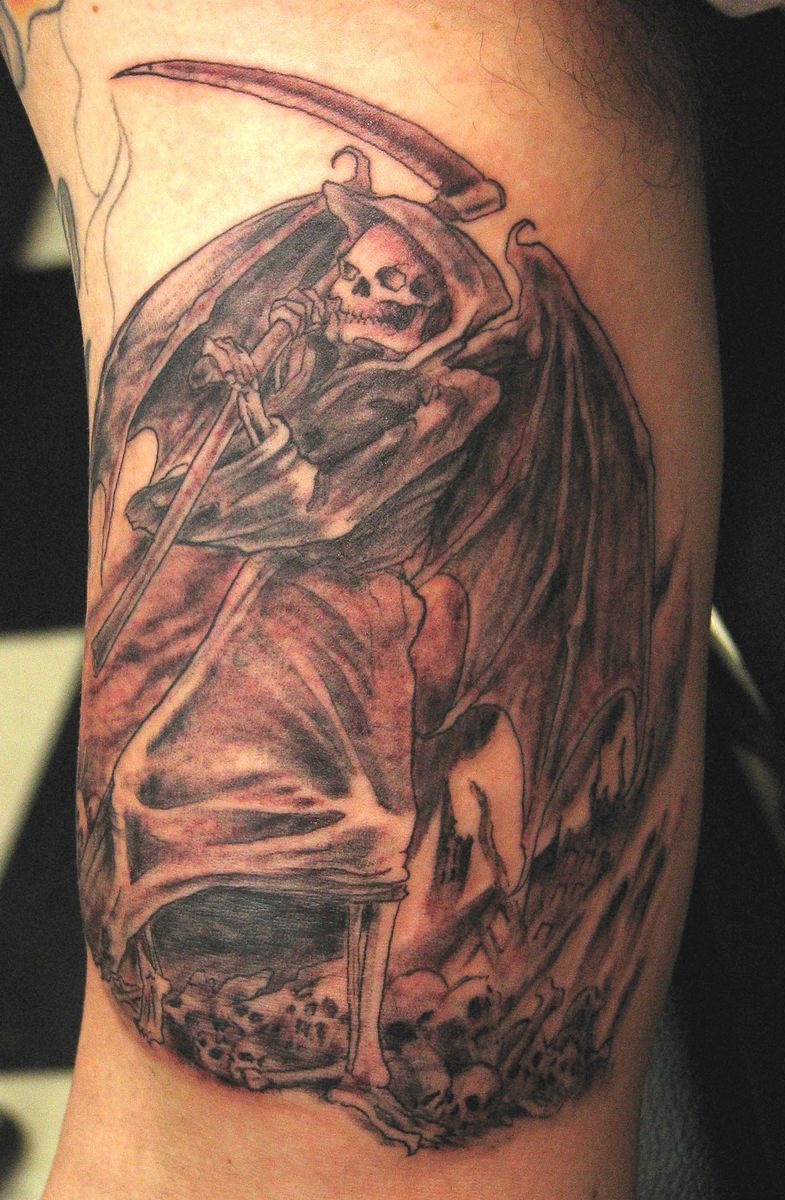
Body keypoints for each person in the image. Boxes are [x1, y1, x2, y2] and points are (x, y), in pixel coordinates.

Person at [7, 1, 721, 1195]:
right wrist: (242, 405)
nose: (362, 302)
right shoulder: (314, 354)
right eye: (352, 280)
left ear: (430, 307)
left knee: (349, 825)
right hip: (254, 620)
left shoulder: (445, 399)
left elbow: (329, 509)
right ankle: (200, 979)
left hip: (349, 635)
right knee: (156, 784)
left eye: (393, 288)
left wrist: (259, 426)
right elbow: (230, 493)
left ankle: (355, 1042)